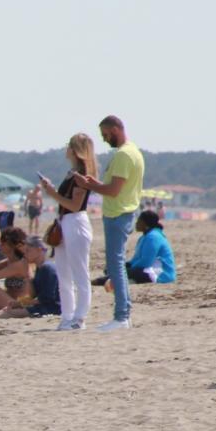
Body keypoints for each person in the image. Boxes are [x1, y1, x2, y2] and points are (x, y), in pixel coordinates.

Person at [73, 115, 144, 331]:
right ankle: (122, 315)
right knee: (116, 264)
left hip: (118, 214)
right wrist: (95, 184)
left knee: (116, 265)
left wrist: (89, 186)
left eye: (106, 135)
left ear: (115, 129)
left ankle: (122, 315)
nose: (104, 140)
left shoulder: (124, 155)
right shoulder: (132, 152)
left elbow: (114, 190)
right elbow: (114, 186)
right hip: (122, 212)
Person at [38, 133, 102, 331]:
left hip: (75, 222)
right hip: (66, 221)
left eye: (69, 146)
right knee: (63, 272)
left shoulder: (81, 175)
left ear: (75, 150)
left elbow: (74, 205)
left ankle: (79, 317)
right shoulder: (73, 172)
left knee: (79, 272)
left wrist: (52, 194)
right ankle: (68, 315)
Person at [0, 238, 62, 318]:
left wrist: (20, 303)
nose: (24, 254)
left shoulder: (47, 268)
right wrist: (27, 277)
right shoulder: (40, 268)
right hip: (44, 306)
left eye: (28, 251)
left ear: (39, 250)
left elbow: (46, 298)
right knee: (6, 311)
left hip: (51, 309)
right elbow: (33, 294)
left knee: (8, 313)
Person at [126, 210, 176, 283]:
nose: (136, 223)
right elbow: (136, 259)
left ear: (146, 224)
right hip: (148, 269)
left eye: (139, 221)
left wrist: (130, 268)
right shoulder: (144, 237)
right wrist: (127, 265)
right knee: (115, 269)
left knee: (123, 273)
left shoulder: (153, 237)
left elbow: (146, 262)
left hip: (162, 274)